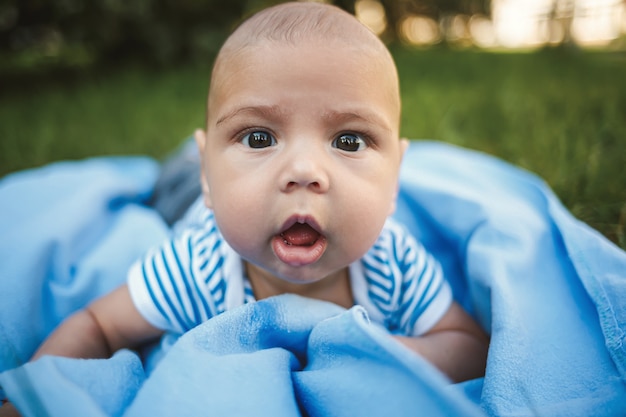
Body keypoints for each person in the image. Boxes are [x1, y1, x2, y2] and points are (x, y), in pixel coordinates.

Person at [1, 2, 488, 414]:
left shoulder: (391, 261)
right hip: (191, 193)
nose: (303, 170)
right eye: (260, 136)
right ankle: (188, 164)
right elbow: (99, 326)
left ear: (396, 177)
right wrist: (29, 399)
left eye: (348, 139)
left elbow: (468, 345)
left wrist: (378, 355)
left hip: (226, 180)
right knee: (164, 185)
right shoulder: (197, 266)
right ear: (211, 177)